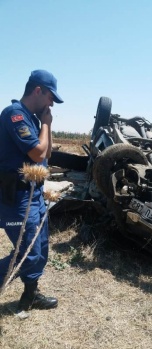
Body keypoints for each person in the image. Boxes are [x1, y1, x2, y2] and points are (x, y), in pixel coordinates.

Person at [0, 70, 63, 311]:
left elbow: (47, 153)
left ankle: (31, 295)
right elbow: (37, 152)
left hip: (34, 194)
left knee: (41, 248)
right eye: (50, 98)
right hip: (17, 197)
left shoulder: (33, 119)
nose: (51, 104)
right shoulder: (14, 115)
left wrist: (47, 126)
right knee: (27, 253)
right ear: (38, 90)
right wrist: (45, 124)